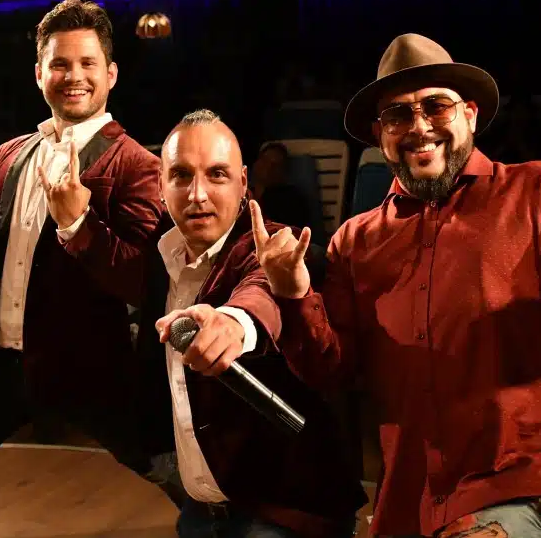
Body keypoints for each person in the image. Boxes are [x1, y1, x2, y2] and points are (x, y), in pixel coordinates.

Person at [250, 33, 541, 537]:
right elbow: (330, 368)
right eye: (398, 115)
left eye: (436, 106)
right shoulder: (356, 242)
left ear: (469, 114)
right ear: (380, 135)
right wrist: (292, 294)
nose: (419, 126)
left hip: (528, 485)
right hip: (411, 499)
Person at [0, 0, 173, 536]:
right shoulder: (10, 155)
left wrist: (79, 225)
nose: (73, 76)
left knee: (172, 468)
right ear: (39, 74)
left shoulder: (137, 165)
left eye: (87, 64)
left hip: (88, 367)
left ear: (110, 74)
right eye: (60, 64)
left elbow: (139, 280)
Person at [61, 109, 366, 537]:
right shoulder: (163, 256)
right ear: (161, 186)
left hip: (283, 515)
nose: (197, 194)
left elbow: (261, 288)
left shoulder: (273, 250)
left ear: (244, 183)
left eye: (217, 174)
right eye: (181, 175)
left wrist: (233, 322)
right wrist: (74, 223)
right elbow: (118, 268)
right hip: (200, 510)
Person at [251, 142, 312, 231]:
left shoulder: (291, 200)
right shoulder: (242, 193)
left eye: (275, 165)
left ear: (283, 173)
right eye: (265, 161)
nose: (268, 167)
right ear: (255, 164)